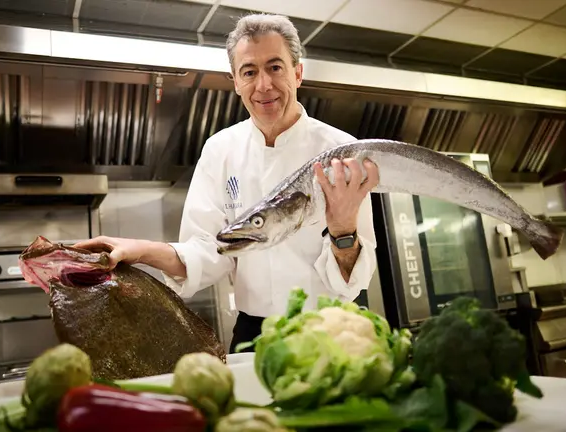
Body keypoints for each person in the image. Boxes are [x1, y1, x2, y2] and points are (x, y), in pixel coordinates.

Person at [75, 13, 380, 353]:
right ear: (235, 81)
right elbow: (209, 249)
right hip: (255, 333)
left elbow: (356, 278)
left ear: (297, 73)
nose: (263, 85)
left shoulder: (341, 152)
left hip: (332, 330)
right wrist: (141, 251)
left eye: (275, 67)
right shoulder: (220, 150)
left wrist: (343, 231)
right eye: (249, 72)